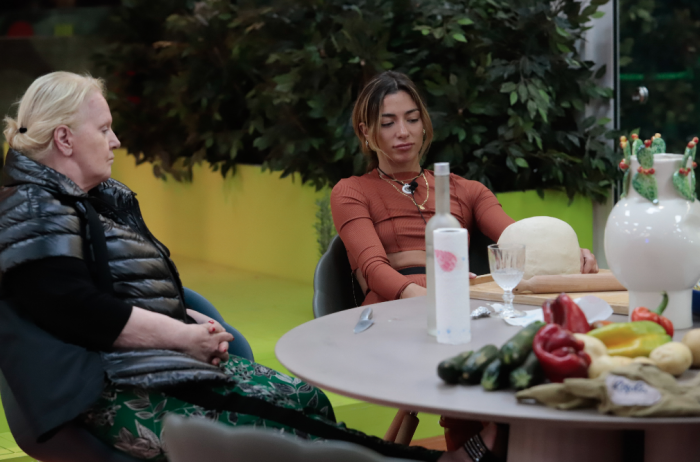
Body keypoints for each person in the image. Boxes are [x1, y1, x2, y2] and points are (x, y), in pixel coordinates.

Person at [0, 71, 499, 462]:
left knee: (308, 403)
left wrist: (185, 318)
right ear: (64, 139)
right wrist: (181, 336)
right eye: (105, 129)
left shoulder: (85, 200)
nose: (116, 140)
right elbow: (78, 308)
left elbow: (113, 288)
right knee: (288, 436)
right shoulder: (35, 207)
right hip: (115, 388)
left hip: (150, 365)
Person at [331, 71, 598, 306]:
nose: (403, 132)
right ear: (366, 132)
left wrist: (568, 257)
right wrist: (425, 298)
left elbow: (516, 243)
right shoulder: (351, 192)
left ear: (423, 125)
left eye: (412, 119)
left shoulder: (467, 190)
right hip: (394, 308)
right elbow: (373, 268)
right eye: (388, 123)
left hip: (460, 303)